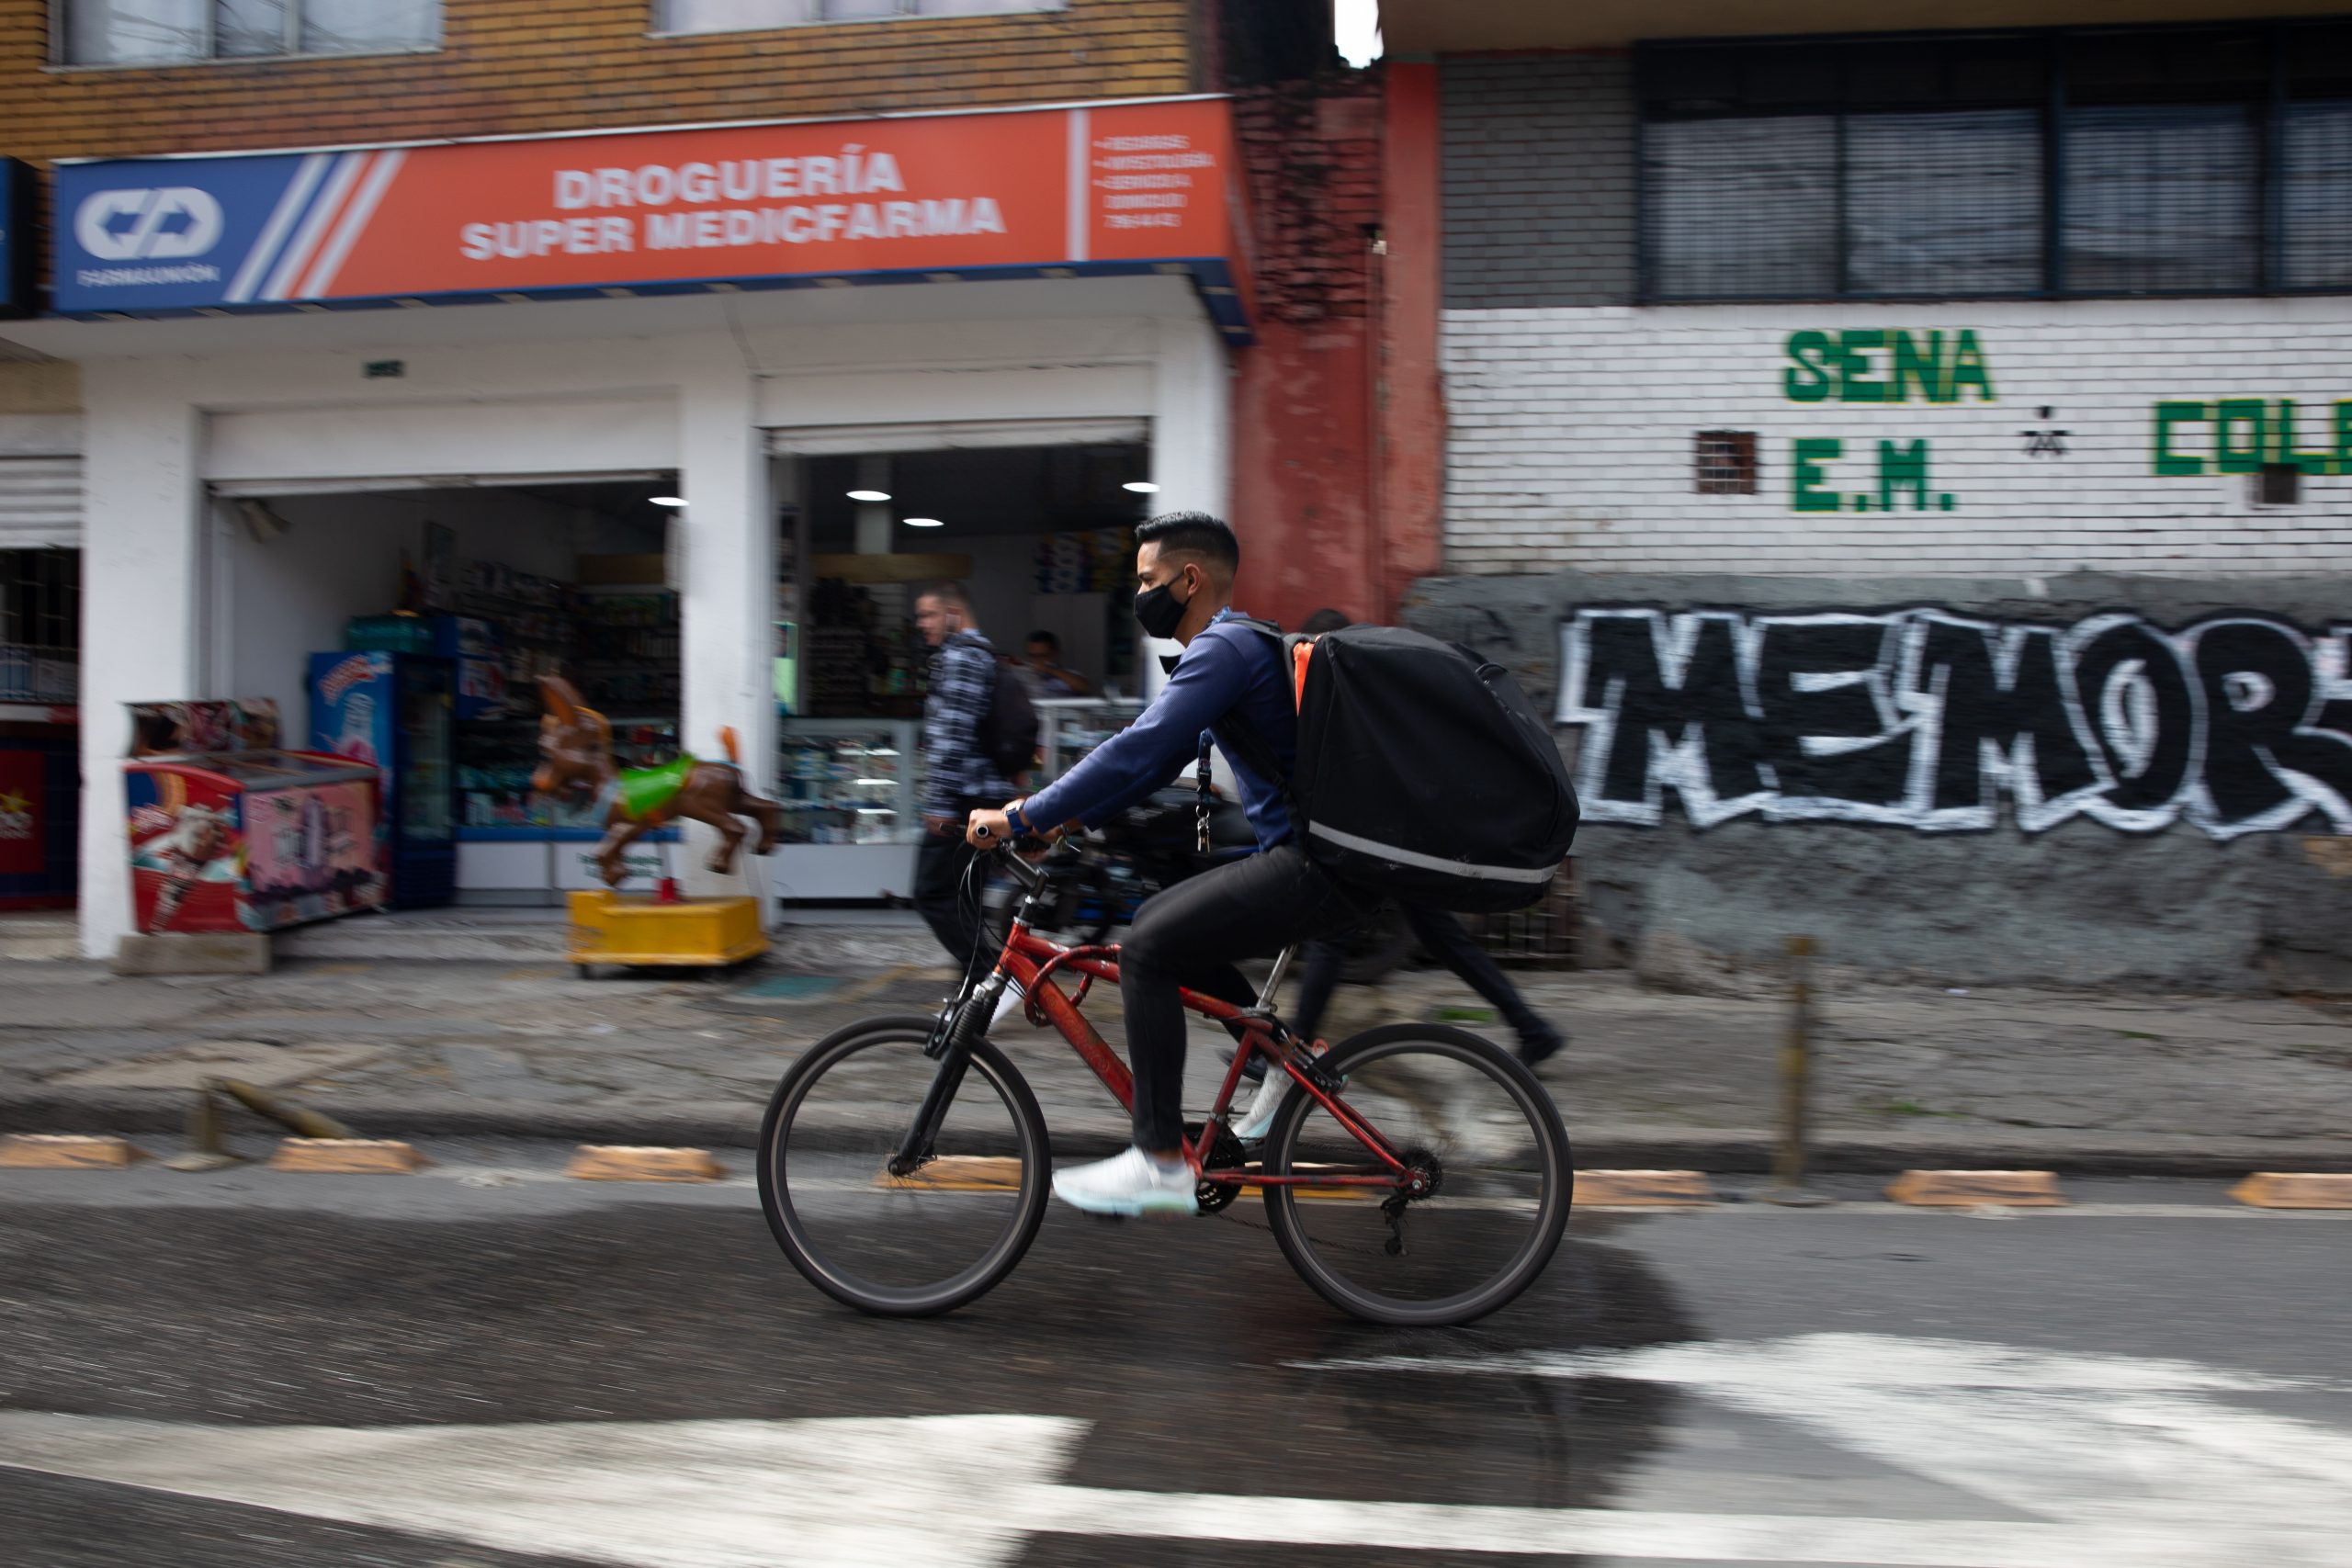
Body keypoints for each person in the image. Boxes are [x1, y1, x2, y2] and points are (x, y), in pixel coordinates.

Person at [967, 513, 1367, 1218]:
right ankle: (1279, 1057)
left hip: (1310, 864)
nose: (1140, 595)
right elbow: (1148, 766)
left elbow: (1139, 749)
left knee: (1148, 941)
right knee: (1172, 922)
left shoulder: (1224, 648)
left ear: (1191, 579)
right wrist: (1066, 816)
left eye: (1148, 580)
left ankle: (1157, 1160)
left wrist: (1023, 813)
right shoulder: (1232, 647)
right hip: (1310, 859)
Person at [1248, 608, 1567, 1072]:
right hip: (1406, 836)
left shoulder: (1352, 678)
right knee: (1440, 937)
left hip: (1390, 839)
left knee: (1332, 938)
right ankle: (1532, 1028)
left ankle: (1289, 1056)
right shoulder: (1377, 673)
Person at [913, 581, 1016, 976]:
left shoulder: (962, 658)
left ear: (953, 613)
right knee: (963, 898)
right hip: (979, 796)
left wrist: (939, 805)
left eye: (929, 614)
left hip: (963, 800)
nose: (922, 624)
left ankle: (988, 974)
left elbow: (953, 734)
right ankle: (977, 991)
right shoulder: (980, 654)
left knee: (931, 892)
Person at [1021, 630, 1094, 696]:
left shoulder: (1069, 676)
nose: (1036, 660)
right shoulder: (1023, 677)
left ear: (1055, 655)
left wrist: (1048, 669)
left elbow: (1085, 687)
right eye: (1033, 656)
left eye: (1042, 656)